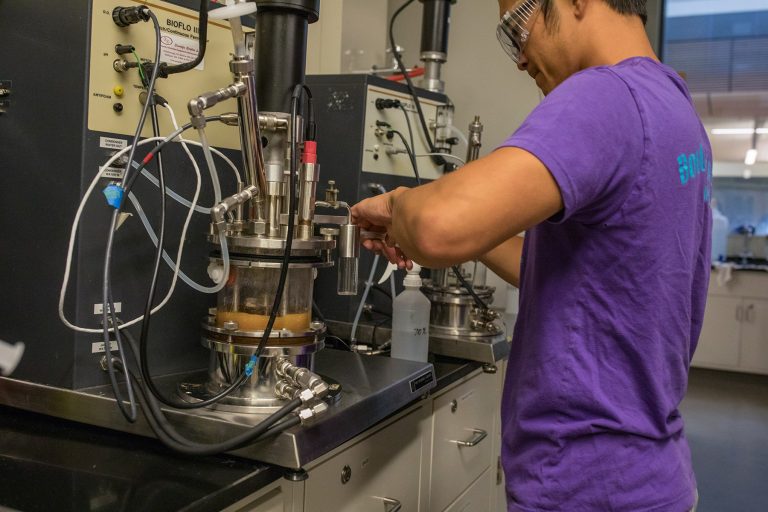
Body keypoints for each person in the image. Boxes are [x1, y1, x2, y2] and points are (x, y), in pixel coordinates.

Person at [352, 0, 711, 510]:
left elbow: (435, 228)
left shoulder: (604, 94)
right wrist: (463, 231)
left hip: (586, 484)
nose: (520, 58)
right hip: (652, 475)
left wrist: (399, 203)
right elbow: (592, 282)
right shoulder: (673, 105)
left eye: (517, 26)